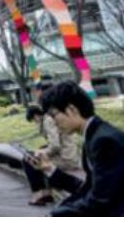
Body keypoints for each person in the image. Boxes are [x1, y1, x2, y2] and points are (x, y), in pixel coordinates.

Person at [28, 80, 124, 216]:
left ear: (71, 110)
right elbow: (88, 188)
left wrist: (55, 216)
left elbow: (99, 201)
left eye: (54, 115)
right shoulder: (94, 135)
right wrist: (49, 168)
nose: (54, 122)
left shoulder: (105, 141)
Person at [20, 105, 80, 206]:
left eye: (34, 120)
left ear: (36, 116)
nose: (35, 122)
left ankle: (41, 194)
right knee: (31, 156)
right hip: (64, 154)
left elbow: (55, 146)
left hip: (66, 158)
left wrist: (41, 152)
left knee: (30, 161)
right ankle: (45, 193)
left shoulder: (48, 121)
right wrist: (41, 150)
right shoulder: (47, 119)